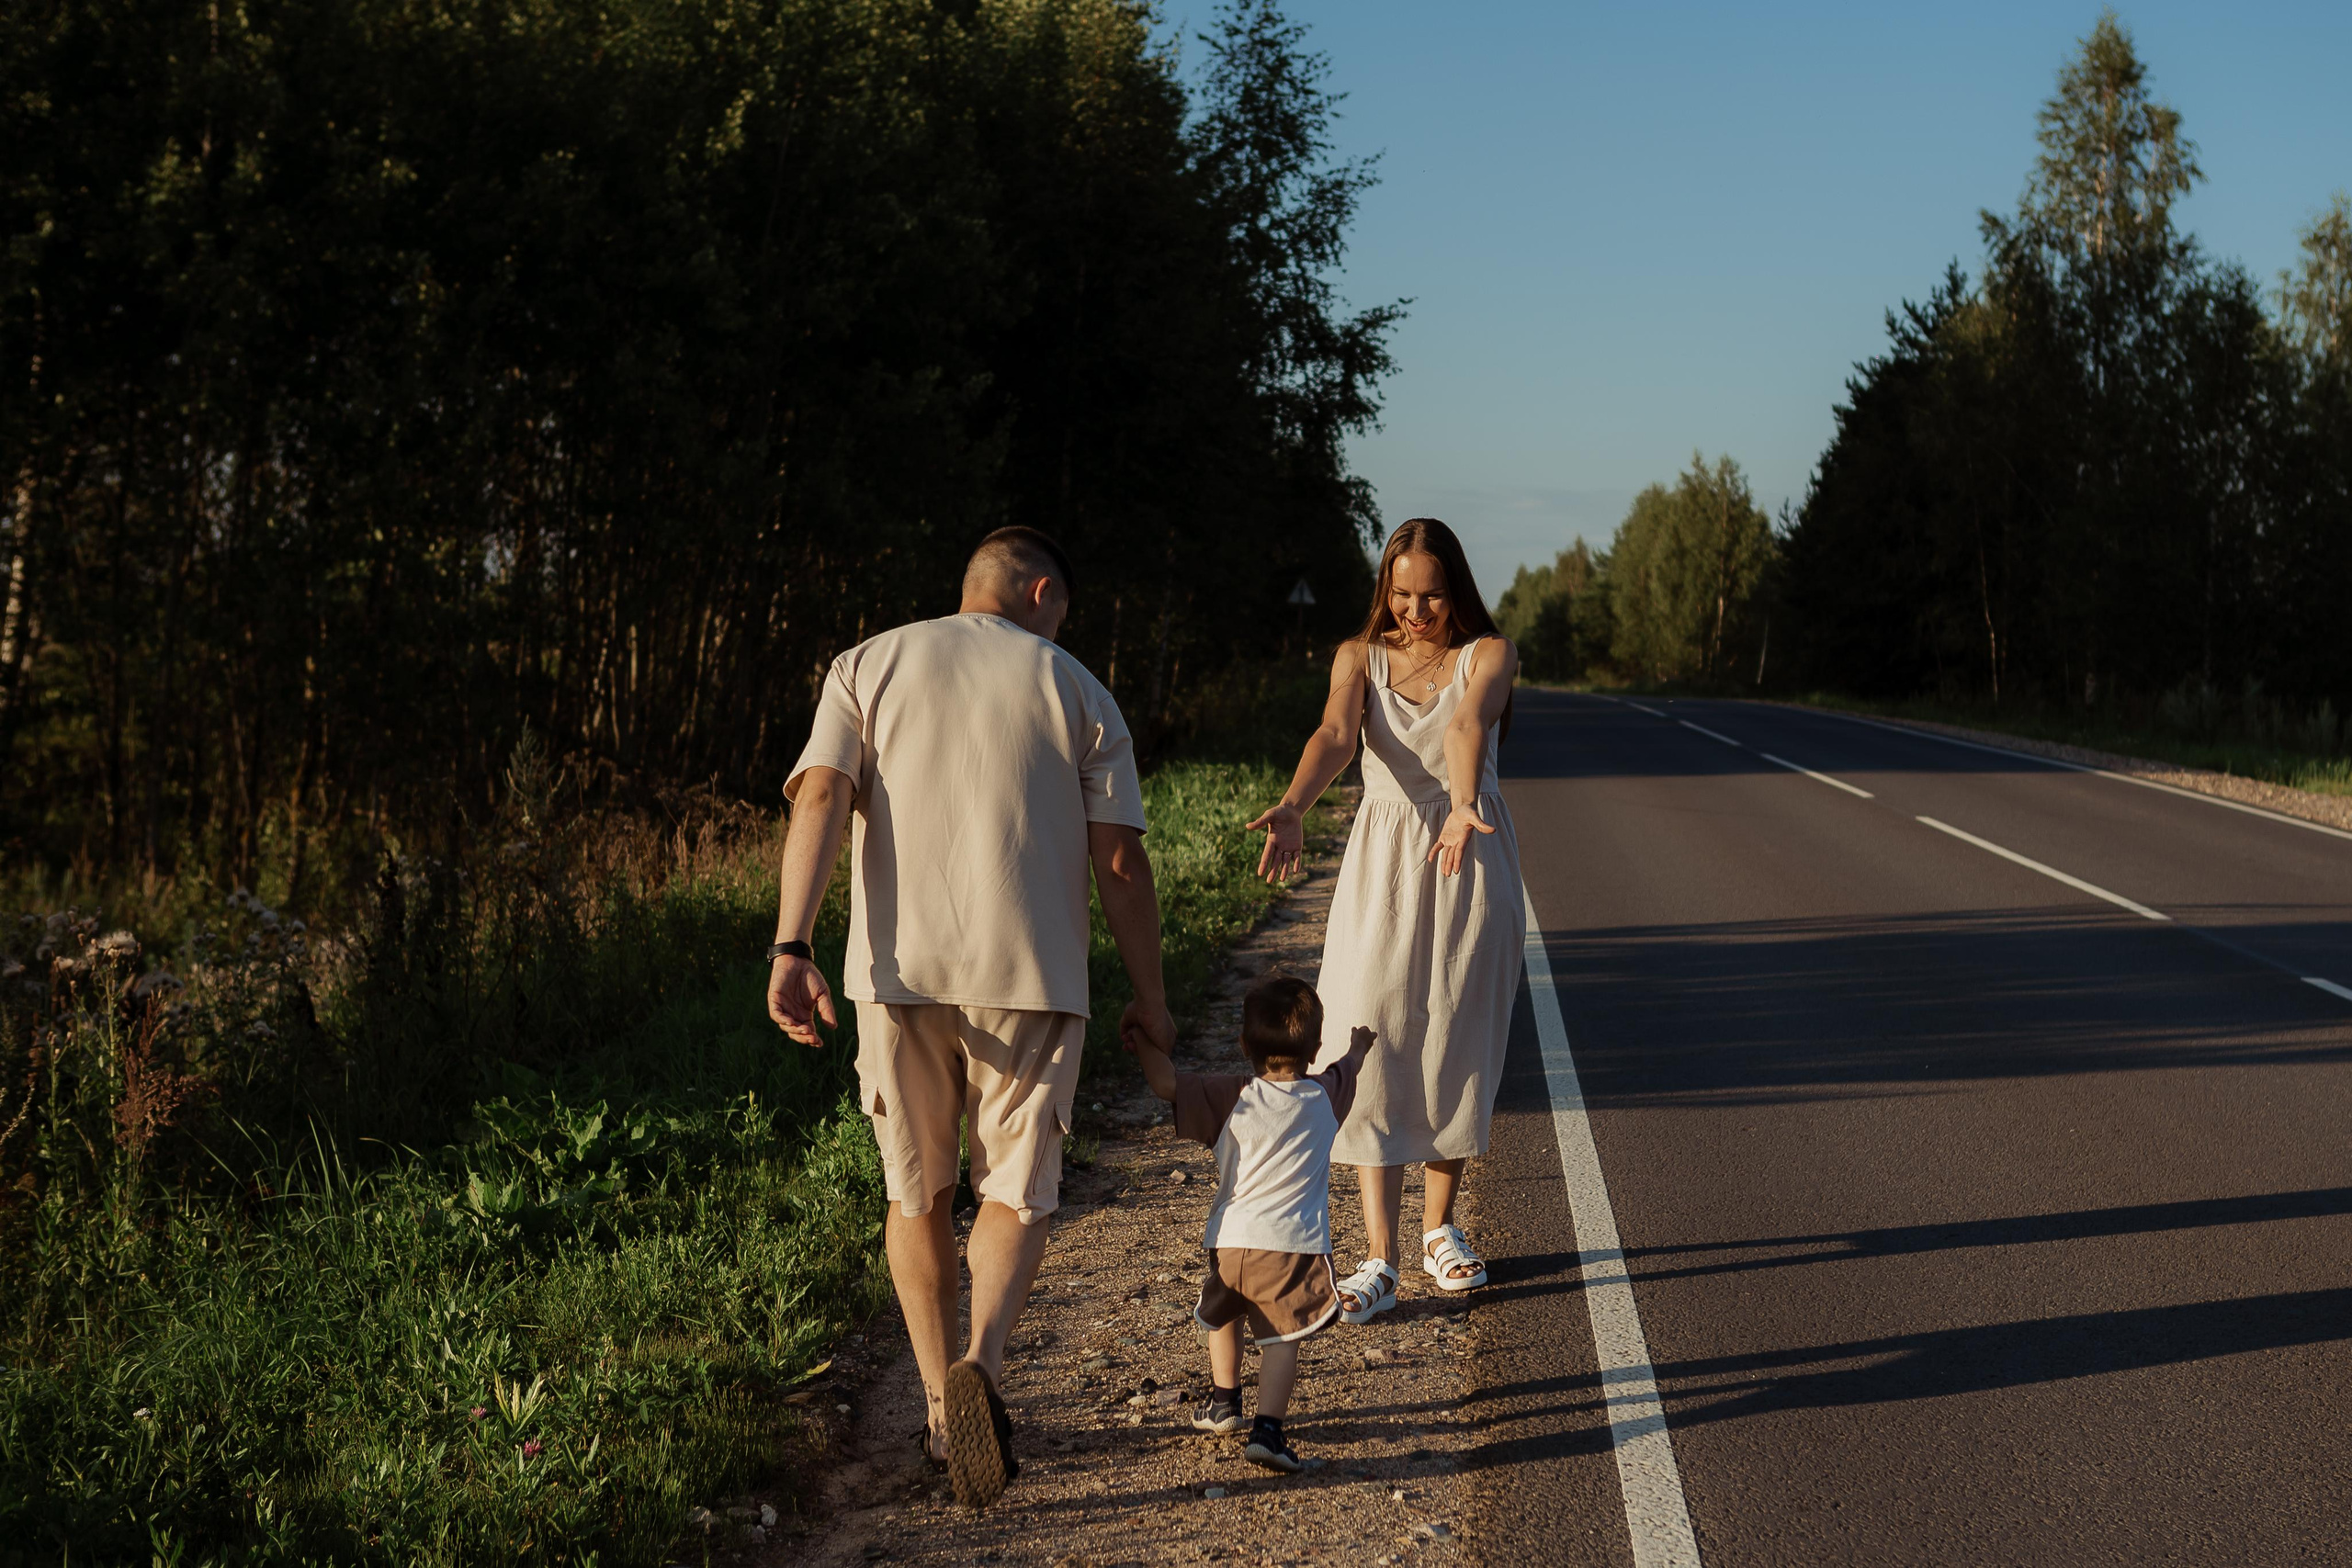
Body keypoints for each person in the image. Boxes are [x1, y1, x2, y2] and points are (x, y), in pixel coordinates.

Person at [767, 526, 1176, 1509]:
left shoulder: (867, 665)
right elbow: (1121, 861)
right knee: (1016, 1189)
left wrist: (791, 946)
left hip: (894, 973)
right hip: (1033, 975)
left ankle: (940, 1411)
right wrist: (1152, 996)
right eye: (1061, 609)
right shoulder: (1077, 688)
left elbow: (819, 795)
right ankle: (982, 1367)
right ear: (1040, 593)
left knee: (916, 1195)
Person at [1242, 517, 1524, 1323]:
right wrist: (1295, 803)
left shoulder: (1489, 653)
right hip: (1385, 862)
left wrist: (1462, 802)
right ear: (1385, 589)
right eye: (1402, 594)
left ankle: (1439, 1229)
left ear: (1456, 589)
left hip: (1466, 849)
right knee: (1367, 1034)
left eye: (1432, 595)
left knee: (1454, 1034)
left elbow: (1466, 725)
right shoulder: (1357, 656)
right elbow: (1337, 733)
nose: (1416, 611)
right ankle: (1379, 1255)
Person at [1127, 976, 1374, 1473]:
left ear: (1244, 1045)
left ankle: (1224, 1402)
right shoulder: (1325, 1095)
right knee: (1282, 1338)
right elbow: (1347, 1068)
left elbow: (1166, 1084)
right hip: (1291, 1247)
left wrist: (1140, 1039)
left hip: (1230, 1242)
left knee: (1226, 1314)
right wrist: (1359, 1046)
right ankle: (1268, 1430)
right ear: (1314, 1049)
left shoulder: (1230, 1094)